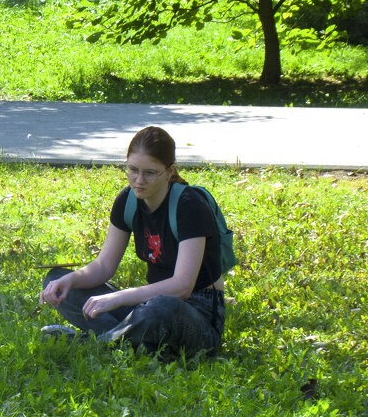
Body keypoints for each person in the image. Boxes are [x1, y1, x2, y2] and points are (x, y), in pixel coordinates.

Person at [39, 126, 227, 358]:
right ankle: (132, 342)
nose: (139, 181)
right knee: (56, 279)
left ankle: (95, 344)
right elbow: (104, 266)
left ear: (170, 172)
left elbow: (182, 286)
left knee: (161, 308)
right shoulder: (127, 200)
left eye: (150, 173)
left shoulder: (190, 206)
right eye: (132, 170)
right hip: (146, 307)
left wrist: (116, 298)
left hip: (194, 313)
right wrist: (71, 279)